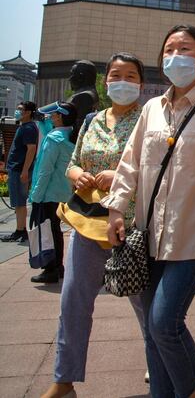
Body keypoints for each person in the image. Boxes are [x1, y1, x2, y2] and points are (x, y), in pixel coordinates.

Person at [105, 24, 195, 398]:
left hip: (193, 237)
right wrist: (117, 208)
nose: (174, 56)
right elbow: (130, 163)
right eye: (168, 50)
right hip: (148, 235)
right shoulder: (151, 109)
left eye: (184, 49)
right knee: (151, 328)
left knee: (165, 323)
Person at [42, 53, 148, 398]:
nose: (122, 81)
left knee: (148, 306)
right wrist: (78, 175)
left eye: (131, 76)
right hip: (86, 222)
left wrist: (120, 175)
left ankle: (162, 363)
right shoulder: (91, 120)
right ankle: (64, 379)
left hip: (131, 226)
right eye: (116, 75)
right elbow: (73, 163)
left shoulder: (150, 121)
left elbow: (160, 169)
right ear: (105, 81)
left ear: (141, 84)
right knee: (73, 300)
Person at [28, 102, 79, 283]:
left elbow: (45, 169)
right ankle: (58, 267)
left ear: (60, 116)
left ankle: (50, 269)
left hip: (48, 193)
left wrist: (36, 195)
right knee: (55, 230)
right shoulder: (71, 134)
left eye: (54, 115)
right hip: (63, 192)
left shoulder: (53, 139)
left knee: (48, 232)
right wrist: (44, 121)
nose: (51, 117)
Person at [1, 101, 38, 242]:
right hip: (16, 168)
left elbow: (31, 149)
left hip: (19, 169)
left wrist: (24, 171)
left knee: (20, 202)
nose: (17, 111)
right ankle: (20, 229)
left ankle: (20, 231)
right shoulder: (24, 127)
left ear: (28, 112)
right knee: (17, 202)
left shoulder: (28, 128)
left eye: (20, 109)